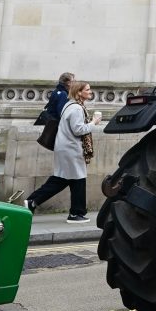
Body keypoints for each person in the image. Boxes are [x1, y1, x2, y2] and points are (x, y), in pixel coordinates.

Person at [26, 80, 102, 222]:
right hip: (71, 149)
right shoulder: (76, 109)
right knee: (73, 178)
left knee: (67, 179)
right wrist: (94, 122)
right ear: (79, 92)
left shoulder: (70, 105)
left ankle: (33, 201)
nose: (90, 92)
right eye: (87, 89)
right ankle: (75, 213)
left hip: (67, 148)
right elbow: (78, 130)